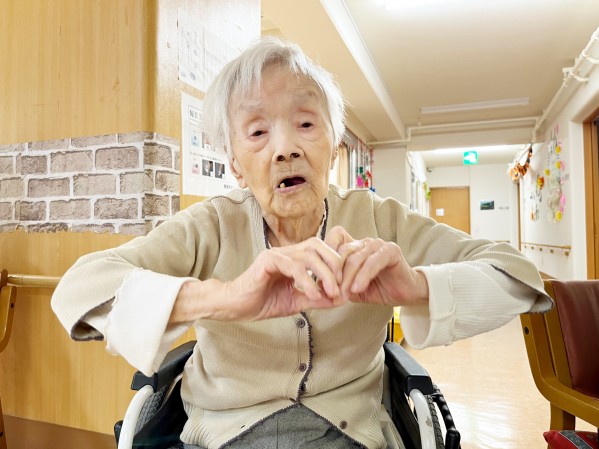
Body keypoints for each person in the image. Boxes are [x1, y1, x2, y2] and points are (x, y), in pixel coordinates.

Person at [51, 37, 552, 449]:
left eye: (306, 124)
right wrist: (225, 298)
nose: (285, 147)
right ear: (235, 166)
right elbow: (79, 290)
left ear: (333, 147)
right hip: (223, 436)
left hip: (354, 434)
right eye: (257, 132)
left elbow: (518, 277)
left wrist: (416, 286)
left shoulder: (378, 219)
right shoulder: (210, 225)